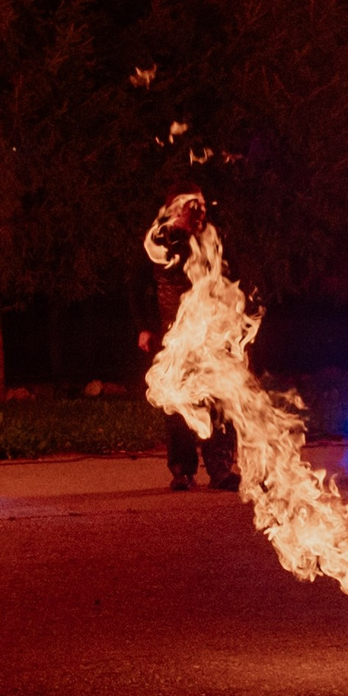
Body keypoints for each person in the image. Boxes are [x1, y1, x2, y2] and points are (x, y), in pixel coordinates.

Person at [134, 189, 239, 492]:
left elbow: (232, 281)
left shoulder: (211, 240)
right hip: (173, 338)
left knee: (218, 402)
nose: (187, 214)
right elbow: (135, 286)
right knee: (178, 405)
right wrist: (144, 327)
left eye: (192, 208)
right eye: (181, 208)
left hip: (211, 334)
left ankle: (220, 470)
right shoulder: (157, 242)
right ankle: (182, 471)